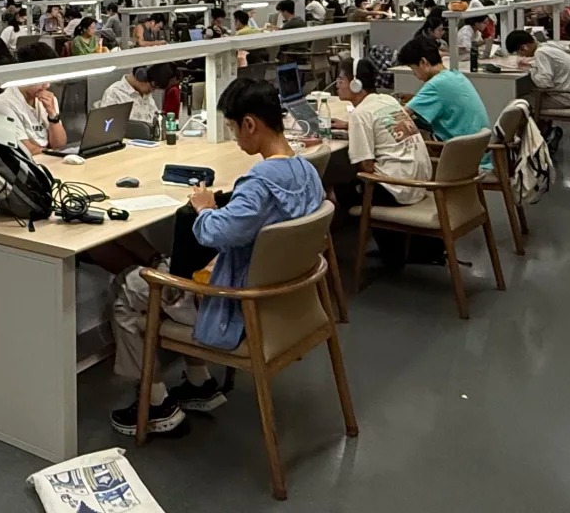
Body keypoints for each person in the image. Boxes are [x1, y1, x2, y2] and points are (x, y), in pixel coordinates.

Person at [108, 77, 325, 437]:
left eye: (233, 128)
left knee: (127, 288)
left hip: (237, 307)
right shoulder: (307, 172)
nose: (235, 138)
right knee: (181, 265)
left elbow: (213, 233)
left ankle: (155, 403)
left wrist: (204, 206)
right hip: (284, 303)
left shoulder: (260, 183)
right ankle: (199, 383)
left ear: (250, 124)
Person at [336, 55, 431, 207]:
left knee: (334, 189)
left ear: (355, 84)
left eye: (341, 80)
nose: (337, 85)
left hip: (396, 189)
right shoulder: (388, 100)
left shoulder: (360, 114)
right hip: (419, 184)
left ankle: (361, 220)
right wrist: (350, 126)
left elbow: (366, 167)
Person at [0, 42, 67, 156]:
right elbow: (27, 150)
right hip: (28, 163)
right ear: (24, 74)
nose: (46, 85)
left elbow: (60, 145)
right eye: (42, 79)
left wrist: (53, 116)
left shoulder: (49, 100)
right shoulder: (5, 103)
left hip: (50, 158)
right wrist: (55, 153)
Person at [404, 36, 489, 141]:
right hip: (477, 144)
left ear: (423, 62)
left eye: (413, 68)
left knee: (405, 131)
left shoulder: (436, 84)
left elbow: (402, 114)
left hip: (456, 146)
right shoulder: (454, 75)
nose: (414, 74)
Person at [504, 30, 570, 112]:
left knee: (517, 103)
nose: (521, 56)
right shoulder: (547, 46)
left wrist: (531, 70)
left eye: (518, 52)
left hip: (564, 99)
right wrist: (532, 66)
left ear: (524, 47)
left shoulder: (541, 52)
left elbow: (544, 83)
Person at [97, 62, 178, 126]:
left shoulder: (146, 95)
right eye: (153, 86)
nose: (152, 91)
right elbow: (108, 130)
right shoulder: (115, 94)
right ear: (141, 76)